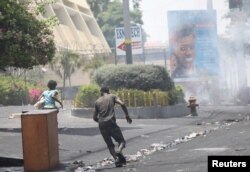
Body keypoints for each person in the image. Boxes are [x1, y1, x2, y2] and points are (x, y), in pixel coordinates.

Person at [93, 86, 132, 167]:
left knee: (110, 145)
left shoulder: (97, 101)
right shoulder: (112, 96)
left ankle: (116, 160)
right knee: (122, 141)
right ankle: (119, 151)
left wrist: (101, 122)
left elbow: (94, 117)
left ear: (101, 92)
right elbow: (122, 104)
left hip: (102, 124)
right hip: (111, 123)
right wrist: (127, 115)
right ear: (108, 91)